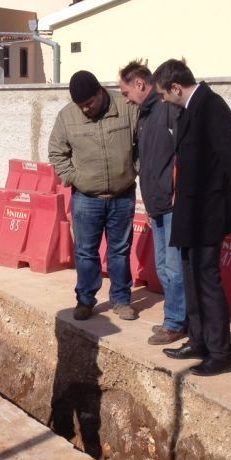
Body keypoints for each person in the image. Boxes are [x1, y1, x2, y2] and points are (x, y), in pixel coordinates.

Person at [153, 59, 231, 376]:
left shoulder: (212, 107)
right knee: (190, 276)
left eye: (164, 95)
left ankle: (221, 352)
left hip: (208, 211)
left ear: (176, 88)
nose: (163, 100)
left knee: (207, 280)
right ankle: (199, 341)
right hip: (189, 210)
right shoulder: (188, 110)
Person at [49, 70, 140, 321]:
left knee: (119, 250)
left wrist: (135, 170)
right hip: (86, 199)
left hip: (122, 196)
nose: (85, 109)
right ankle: (85, 300)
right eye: (81, 106)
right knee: (86, 252)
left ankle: (121, 300)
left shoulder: (126, 108)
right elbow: (57, 153)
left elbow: (142, 143)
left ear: (100, 92)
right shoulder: (67, 117)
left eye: (89, 103)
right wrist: (74, 178)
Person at [118, 61, 187, 345]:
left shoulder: (167, 111)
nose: (125, 98)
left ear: (139, 84)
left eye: (125, 91)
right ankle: (173, 318)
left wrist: (175, 194)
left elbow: (181, 155)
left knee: (173, 268)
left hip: (171, 206)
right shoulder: (145, 117)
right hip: (156, 205)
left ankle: (177, 322)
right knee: (163, 267)